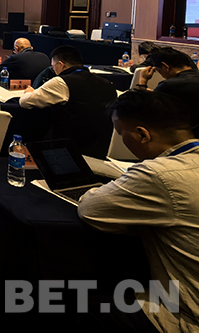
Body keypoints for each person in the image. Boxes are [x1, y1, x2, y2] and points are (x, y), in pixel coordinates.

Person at [78, 90, 199, 332]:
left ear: (142, 135)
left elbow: (90, 209)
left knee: (74, 299)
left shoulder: (158, 175)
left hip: (186, 317)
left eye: (121, 133)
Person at [19, 45, 117, 158]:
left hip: (68, 149)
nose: (54, 71)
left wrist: (29, 92)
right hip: (100, 149)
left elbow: (25, 102)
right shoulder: (106, 83)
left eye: (53, 67)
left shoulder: (61, 82)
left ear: (61, 65)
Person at [141, 47, 199, 134]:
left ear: (165, 66)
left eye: (159, 71)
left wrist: (142, 81)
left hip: (183, 135)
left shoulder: (169, 85)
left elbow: (144, 109)